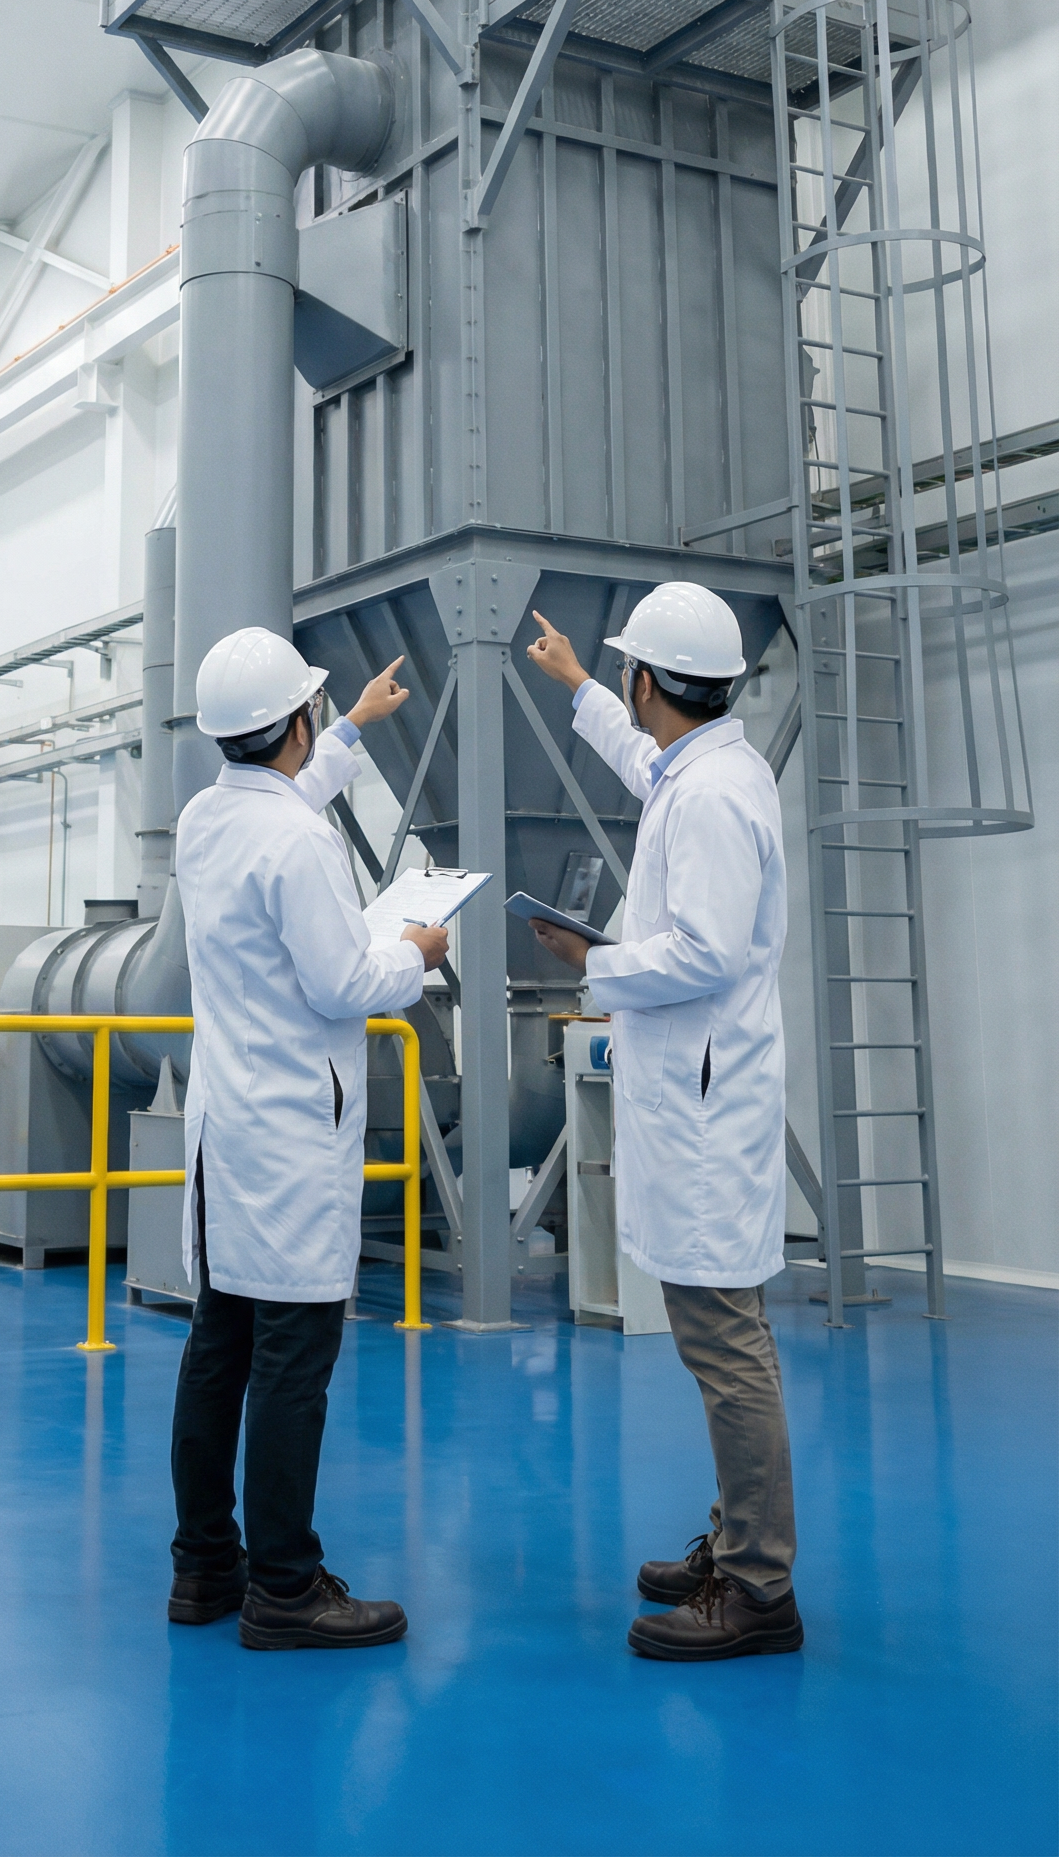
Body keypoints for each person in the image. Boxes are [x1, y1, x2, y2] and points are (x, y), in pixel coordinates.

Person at [526, 584, 804, 1662]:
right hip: (695, 1093)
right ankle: (740, 1540)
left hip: (705, 1106)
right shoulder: (703, 770)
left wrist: (591, 959)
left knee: (727, 1343)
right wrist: (578, 687)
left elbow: (704, 952)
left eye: (624, 677)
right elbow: (648, 766)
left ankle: (759, 1585)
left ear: (654, 680)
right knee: (715, 1334)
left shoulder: (718, 796)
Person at [167, 627, 451, 1651]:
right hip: (290, 1130)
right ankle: (285, 1585)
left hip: (225, 1133)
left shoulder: (207, 819)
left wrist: (357, 729)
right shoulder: (299, 842)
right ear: (296, 720)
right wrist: (413, 952)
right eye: (319, 714)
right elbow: (341, 982)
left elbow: (276, 806)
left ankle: (205, 1565)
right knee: (292, 1361)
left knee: (219, 1345)